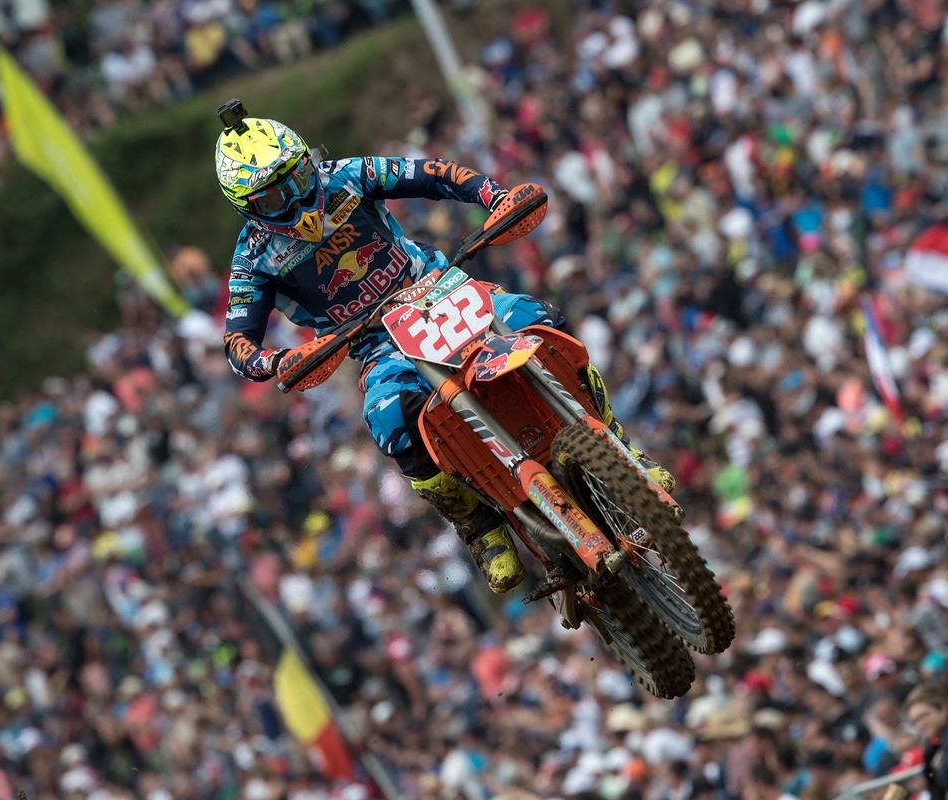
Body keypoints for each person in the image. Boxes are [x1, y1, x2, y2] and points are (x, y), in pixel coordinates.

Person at [212, 99, 673, 594]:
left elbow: (433, 173)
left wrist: (494, 196)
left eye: (298, 178)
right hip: (376, 343)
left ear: (308, 160)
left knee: (540, 322)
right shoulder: (252, 259)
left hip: (444, 290)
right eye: (274, 198)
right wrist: (276, 360)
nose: (296, 198)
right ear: (248, 208)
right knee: (390, 418)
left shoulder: (347, 175)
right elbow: (237, 343)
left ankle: (619, 447)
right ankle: (479, 526)